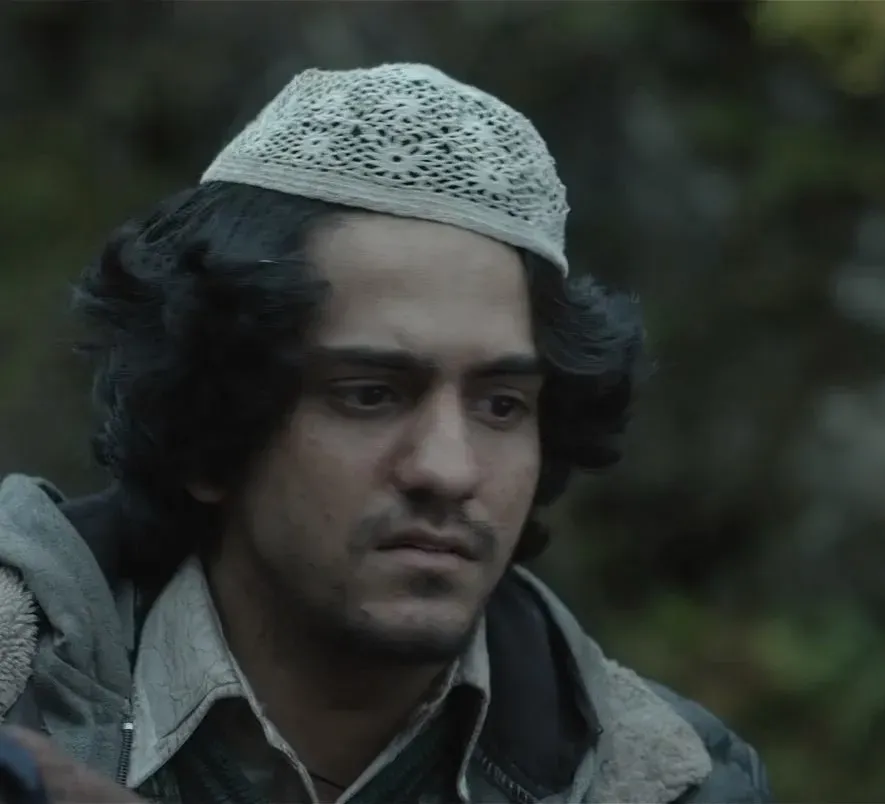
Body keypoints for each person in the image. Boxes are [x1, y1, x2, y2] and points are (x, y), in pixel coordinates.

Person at [0, 63, 772, 804]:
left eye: (502, 406)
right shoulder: (16, 695)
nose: (448, 469)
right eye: (370, 395)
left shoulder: (669, 783)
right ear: (210, 428)